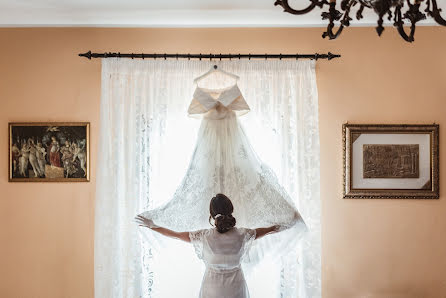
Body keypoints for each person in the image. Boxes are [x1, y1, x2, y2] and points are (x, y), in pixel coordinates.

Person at [135, 193, 286, 298]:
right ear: (231, 210)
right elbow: (271, 229)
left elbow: (174, 234)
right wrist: (286, 223)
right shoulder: (244, 234)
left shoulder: (203, 236)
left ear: (212, 214)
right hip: (236, 287)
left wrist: (153, 226)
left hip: (211, 287)